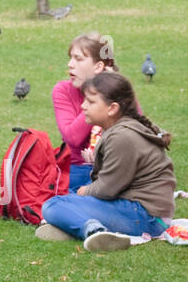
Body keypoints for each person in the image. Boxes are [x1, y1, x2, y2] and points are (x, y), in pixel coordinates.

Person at [37, 72, 172, 253]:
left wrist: (85, 191)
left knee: (53, 205)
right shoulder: (120, 129)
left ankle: (93, 230)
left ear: (112, 108)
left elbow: (107, 189)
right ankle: (76, 225)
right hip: (142, 212)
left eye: (91, 102)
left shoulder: (122, 136)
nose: (83, 106)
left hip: (146, 218)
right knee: (67, 198)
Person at [52, 32, 121, 192]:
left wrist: (108, 90)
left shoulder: (117, 88)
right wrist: (98, 95)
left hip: (115, 166)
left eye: (78, 59)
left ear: (98, 67)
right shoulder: (63, 90)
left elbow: (138, 129)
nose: (70, 64)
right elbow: (72, 138)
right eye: (70, 57)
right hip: (79, 168)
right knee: (54, 205)